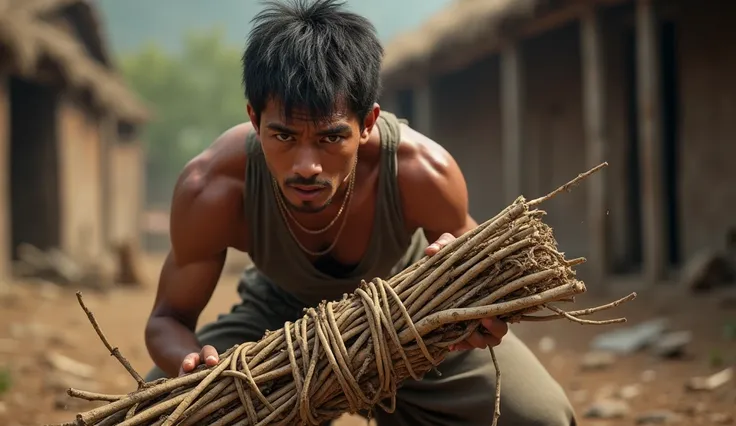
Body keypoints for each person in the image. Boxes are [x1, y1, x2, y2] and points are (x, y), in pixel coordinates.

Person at [143, 0, 577, 424]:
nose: (306, 166)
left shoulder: (421, 172)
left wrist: (480, 307)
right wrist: (191, 364)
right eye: (283, 136)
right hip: (275, 328)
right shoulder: (213, 187)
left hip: (410, 316)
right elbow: (168, 319)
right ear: (254, 120)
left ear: (368, 122)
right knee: (158, 416)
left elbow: (482, 277)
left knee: (541, 417)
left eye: (330, 138)